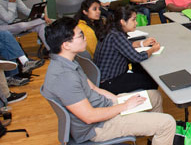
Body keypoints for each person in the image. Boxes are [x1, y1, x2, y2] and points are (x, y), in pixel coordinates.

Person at [42, 17, 175, 145]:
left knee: (155, 96)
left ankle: (156, 137)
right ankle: (159, 131)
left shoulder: (68, 62)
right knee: (167, 123)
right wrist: (124, 106)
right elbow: (89, 117)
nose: (85, 37)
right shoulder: (64, 77)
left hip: (103, 108)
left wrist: (117, 100)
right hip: (97, 127)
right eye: (80, 35)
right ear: (66, 45)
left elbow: (93, 88)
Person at [93, 5, 161, 94]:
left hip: (103, 77)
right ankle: (147, 101)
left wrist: (142, 44)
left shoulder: (112, 30)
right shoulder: (117, 36)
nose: (136, 23)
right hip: (109, 82)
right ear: (123, 22)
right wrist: (153, 49)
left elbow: (125, 46)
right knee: (152, 80)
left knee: (140, 69)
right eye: (133, 20)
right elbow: (137, 57)